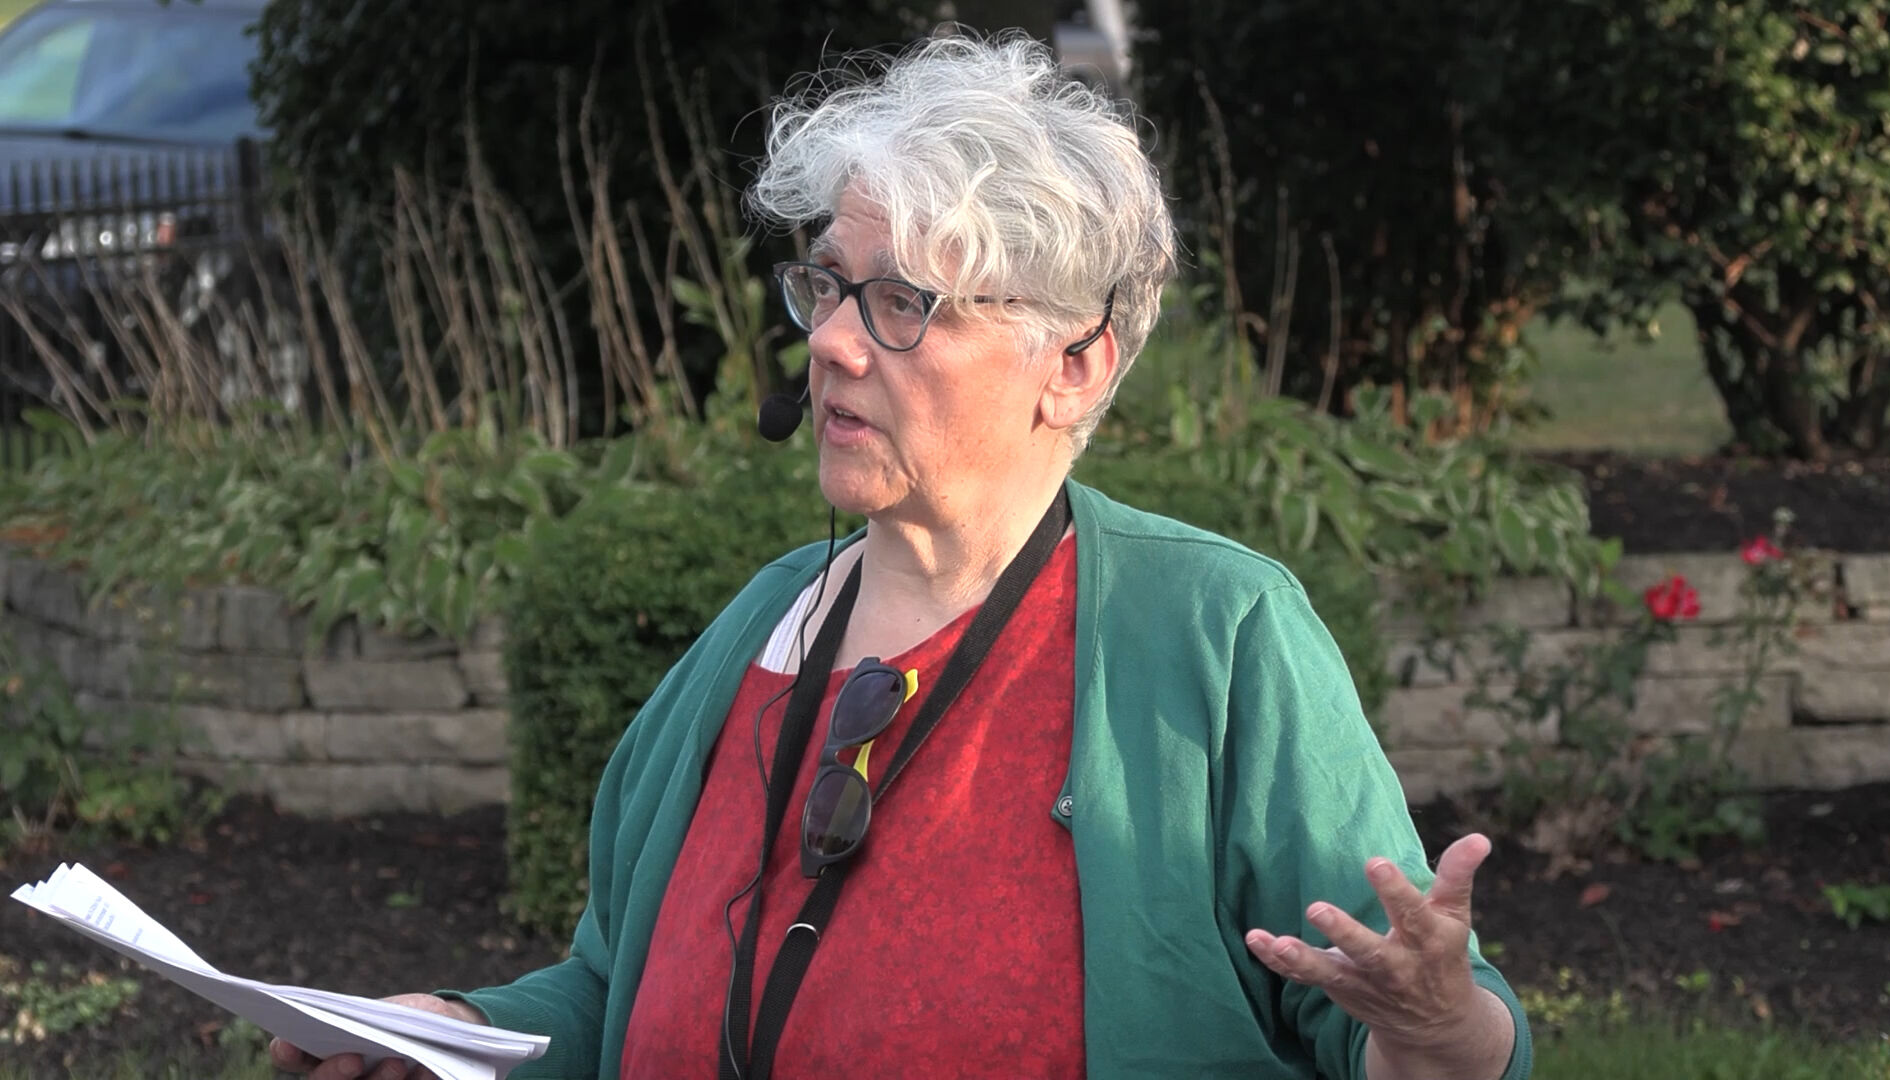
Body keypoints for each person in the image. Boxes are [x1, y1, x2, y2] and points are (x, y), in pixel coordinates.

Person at [272, 30, 1531, 1080]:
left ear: (1074, 362)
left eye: (902, 304)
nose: (830, 341)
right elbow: (615, 987)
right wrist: (454, 1034)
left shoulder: (1217, 634)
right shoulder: (759, 631)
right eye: (827, 285)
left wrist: (1440, 1030)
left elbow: (1405, 1025)